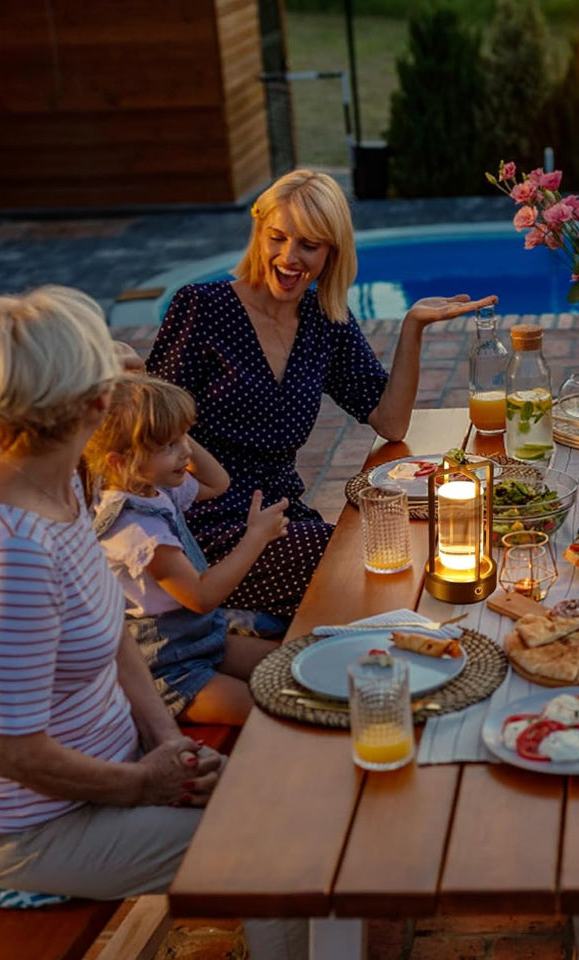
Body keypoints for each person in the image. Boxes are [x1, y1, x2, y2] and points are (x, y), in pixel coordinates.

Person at [0, 286, 442, 960]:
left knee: (304, 785)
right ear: (90, 403)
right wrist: (147, 782)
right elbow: (15, 754)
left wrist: (168, 741)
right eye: (108, 363)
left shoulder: (60, 482)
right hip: (35, 826)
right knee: (281, 847)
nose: (126, 367)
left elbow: (119, 638)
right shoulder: (14, 553)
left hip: (119, 758)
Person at [146, 169, 496, 621]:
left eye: (309, 245)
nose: (289, 257)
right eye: (277, 238)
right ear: (259, 233)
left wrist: (412, 328)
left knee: (396, 541)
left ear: (332, 251)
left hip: (282, 518)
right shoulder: (202, 307)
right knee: (358, 566)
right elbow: (150, 424)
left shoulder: (324, 320)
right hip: (204, 522)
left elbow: (390, 422)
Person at [83, 375, 289, 725]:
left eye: (184, 438)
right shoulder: (136, 530)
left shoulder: (150, 486)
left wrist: (172, 429)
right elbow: (201, 596)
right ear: (119, 462)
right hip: (169, 668)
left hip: (204, 637)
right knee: (269, 714)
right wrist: (255, 538)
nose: (186, 452)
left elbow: (217, 482)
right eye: (168, 446)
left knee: (293, 670)